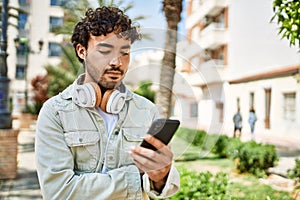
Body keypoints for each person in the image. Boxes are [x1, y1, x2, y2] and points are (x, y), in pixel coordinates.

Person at [35, 6, 180, 200]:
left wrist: (161, 176)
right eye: (105, 50)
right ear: (82, 51)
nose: (117, 62)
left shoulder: (147, 111)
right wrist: (136, 176)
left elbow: (165, 187)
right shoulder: (55, 112)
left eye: (124, 52)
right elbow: (59, 192)